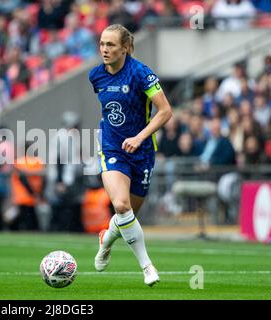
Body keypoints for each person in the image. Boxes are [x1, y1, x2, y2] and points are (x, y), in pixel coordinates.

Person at [89, 24, 173, 286]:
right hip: (113, 149)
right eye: (102, 44)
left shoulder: (140, 73)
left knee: (126, 217)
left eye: (111, 44)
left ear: (125, 47)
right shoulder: (96, 76)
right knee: (121, 205)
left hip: (143, 151)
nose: (104, 49)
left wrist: (139, 137)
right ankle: (147, 266)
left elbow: (165, 111)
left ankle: (106, 240)